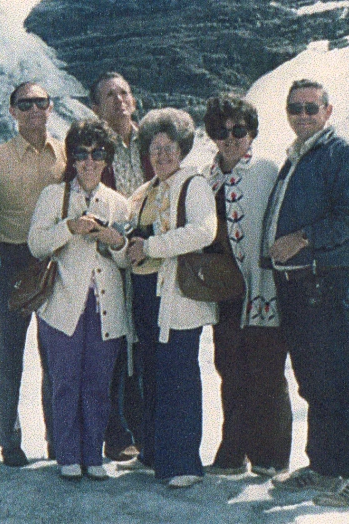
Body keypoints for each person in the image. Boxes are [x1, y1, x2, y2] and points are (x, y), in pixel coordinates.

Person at [262, 79, 349, 507]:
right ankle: (325, 466)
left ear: (328, 112)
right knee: (314, 383)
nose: (303, 115)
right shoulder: (300, 156)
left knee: (342, 382)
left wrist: (304, 238)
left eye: (312, 108)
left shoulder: (342, 153)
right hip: (297, 287)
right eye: (296, 107)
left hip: (323, 283)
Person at [28, 119, 131, 480]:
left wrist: (113, 240)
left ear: (107, 159)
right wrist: (69, 228)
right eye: (82, 154)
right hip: (61, 305)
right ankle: (68, 455)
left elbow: (124, 260)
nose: (89, 161)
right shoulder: (53, 197)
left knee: (98, 383)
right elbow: (36, 244)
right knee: (65, 382)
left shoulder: (118, 204)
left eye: (98, 154)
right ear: (71, 158)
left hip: (105, 306)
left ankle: (94, 455)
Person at [202, 96, 293, 478]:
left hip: (263, 287)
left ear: (251, 132)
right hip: (224, 290)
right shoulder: (205, 179)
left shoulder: (268, 171)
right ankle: (233, 450)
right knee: (230, 369)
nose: (231, 138)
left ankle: (271, 455)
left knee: (266, 370)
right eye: (222, 131)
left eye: (239, 130)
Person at [125, 108, 216, 488]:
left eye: (169, 147)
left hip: (176, 294)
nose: (162, 155)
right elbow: (132, 240)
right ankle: (154, 452)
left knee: (178, 375)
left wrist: (154, 246)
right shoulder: (144, 192)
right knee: (153, 373)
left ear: (182, 149)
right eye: (155, 148)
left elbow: (203, 232)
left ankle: (183, 463)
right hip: (147, 294)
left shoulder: (193, 185)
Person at [0, 82, 66, 467]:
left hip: (55, 258)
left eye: (41, 102)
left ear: (51, 108)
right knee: (11, 352)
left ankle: (58, 438)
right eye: (25, 104)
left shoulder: (66, 153)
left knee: (56, 353)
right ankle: (8, 439)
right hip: (11, 259)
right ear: (12, 111)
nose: (34, 109)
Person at [90, 71, 153, 462]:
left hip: (150, 252)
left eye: (125, 92)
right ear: (96, 106)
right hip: (109, 255)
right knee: (113, 343)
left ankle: (145, 427)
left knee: (144, 341)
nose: (119, 100)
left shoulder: (152, 141)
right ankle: (116, 431)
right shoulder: (92, 146)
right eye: (109, 95)